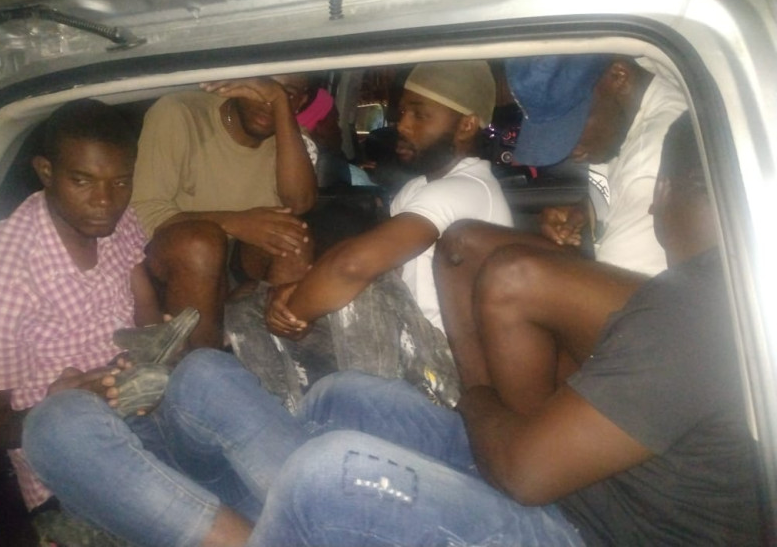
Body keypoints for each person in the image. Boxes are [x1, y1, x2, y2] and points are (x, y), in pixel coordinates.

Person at [236, 111, 758, 546]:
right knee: (341, 396)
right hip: (576, 487)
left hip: (587, 529)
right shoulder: (711, 290)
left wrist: (476, 399)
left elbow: (525, 475)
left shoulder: (694, 312)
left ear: (664, 190)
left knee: (326, 478)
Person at [434, 54, 687, 413]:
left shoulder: (653, 152)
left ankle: (529, 427)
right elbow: (618, 198)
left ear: (618, 75)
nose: (568, 149)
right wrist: (583, 213)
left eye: (573, 126)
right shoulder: (626, 113)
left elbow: (626, 323)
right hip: (643, 295)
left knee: (512, 279)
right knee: (461, 243)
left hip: (666, 330)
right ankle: (478, 397)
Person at [254, 60, 514, 407]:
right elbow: (383, 269)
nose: (402, 125)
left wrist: (294, 313)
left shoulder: (464, 189)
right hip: (404, 341)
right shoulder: (419, 187)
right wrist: (302, 290)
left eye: (420, 115)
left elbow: (353, 264)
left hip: (445, 373)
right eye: (403, 112)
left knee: (255, 346)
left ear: (465, 125)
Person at [0, 100, 162, 532]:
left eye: (121, 181)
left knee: (209, 372)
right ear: (46, 172)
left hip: (144, 409)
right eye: (82, 181)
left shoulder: (118, 221)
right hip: (69, 450)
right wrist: (63, 405)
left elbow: (146, 312)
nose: (105, 201)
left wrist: (155, 361)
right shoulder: (1, 270)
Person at [130, 74, 318, 348]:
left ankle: (277, 358)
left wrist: (280, 102)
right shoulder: (179, 113)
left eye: (286, 94)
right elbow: (143, 213)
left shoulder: (290, 136)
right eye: (261, 89)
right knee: (200, 245)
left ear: (300, 101)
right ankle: (201, 363)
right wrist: (233, 222)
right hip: (173, 260)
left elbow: (300, 203)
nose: (267, 103)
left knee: (294, 239)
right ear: (238, 83)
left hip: (235, 262)